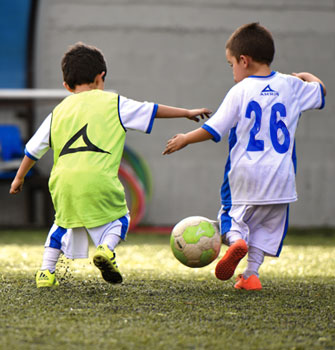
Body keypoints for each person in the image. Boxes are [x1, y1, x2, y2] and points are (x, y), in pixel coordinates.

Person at [9, 42, 211, 288]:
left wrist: (19, 178)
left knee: (61, 225)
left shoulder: (58, 110)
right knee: (120, 219)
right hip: (99, 180)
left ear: (66, 86)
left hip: (62, 183)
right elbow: (152, 109)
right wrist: (186, 112)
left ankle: (45, 272)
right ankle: (106, 248)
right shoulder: (113, 102)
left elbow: (33, 149)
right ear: (100, 76)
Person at [163, 22, 326, 290]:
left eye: (231, 65)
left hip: (245, 176)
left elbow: (214, 128)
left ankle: (236, 240)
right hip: (281, 179)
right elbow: (321, 93)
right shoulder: (291, 86)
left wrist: (184, 139)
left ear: (243, 60)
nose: (232, 72)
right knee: (265, 229)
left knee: (230, 217)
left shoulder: (240, 91)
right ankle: (251, 274)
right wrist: (308, 76)